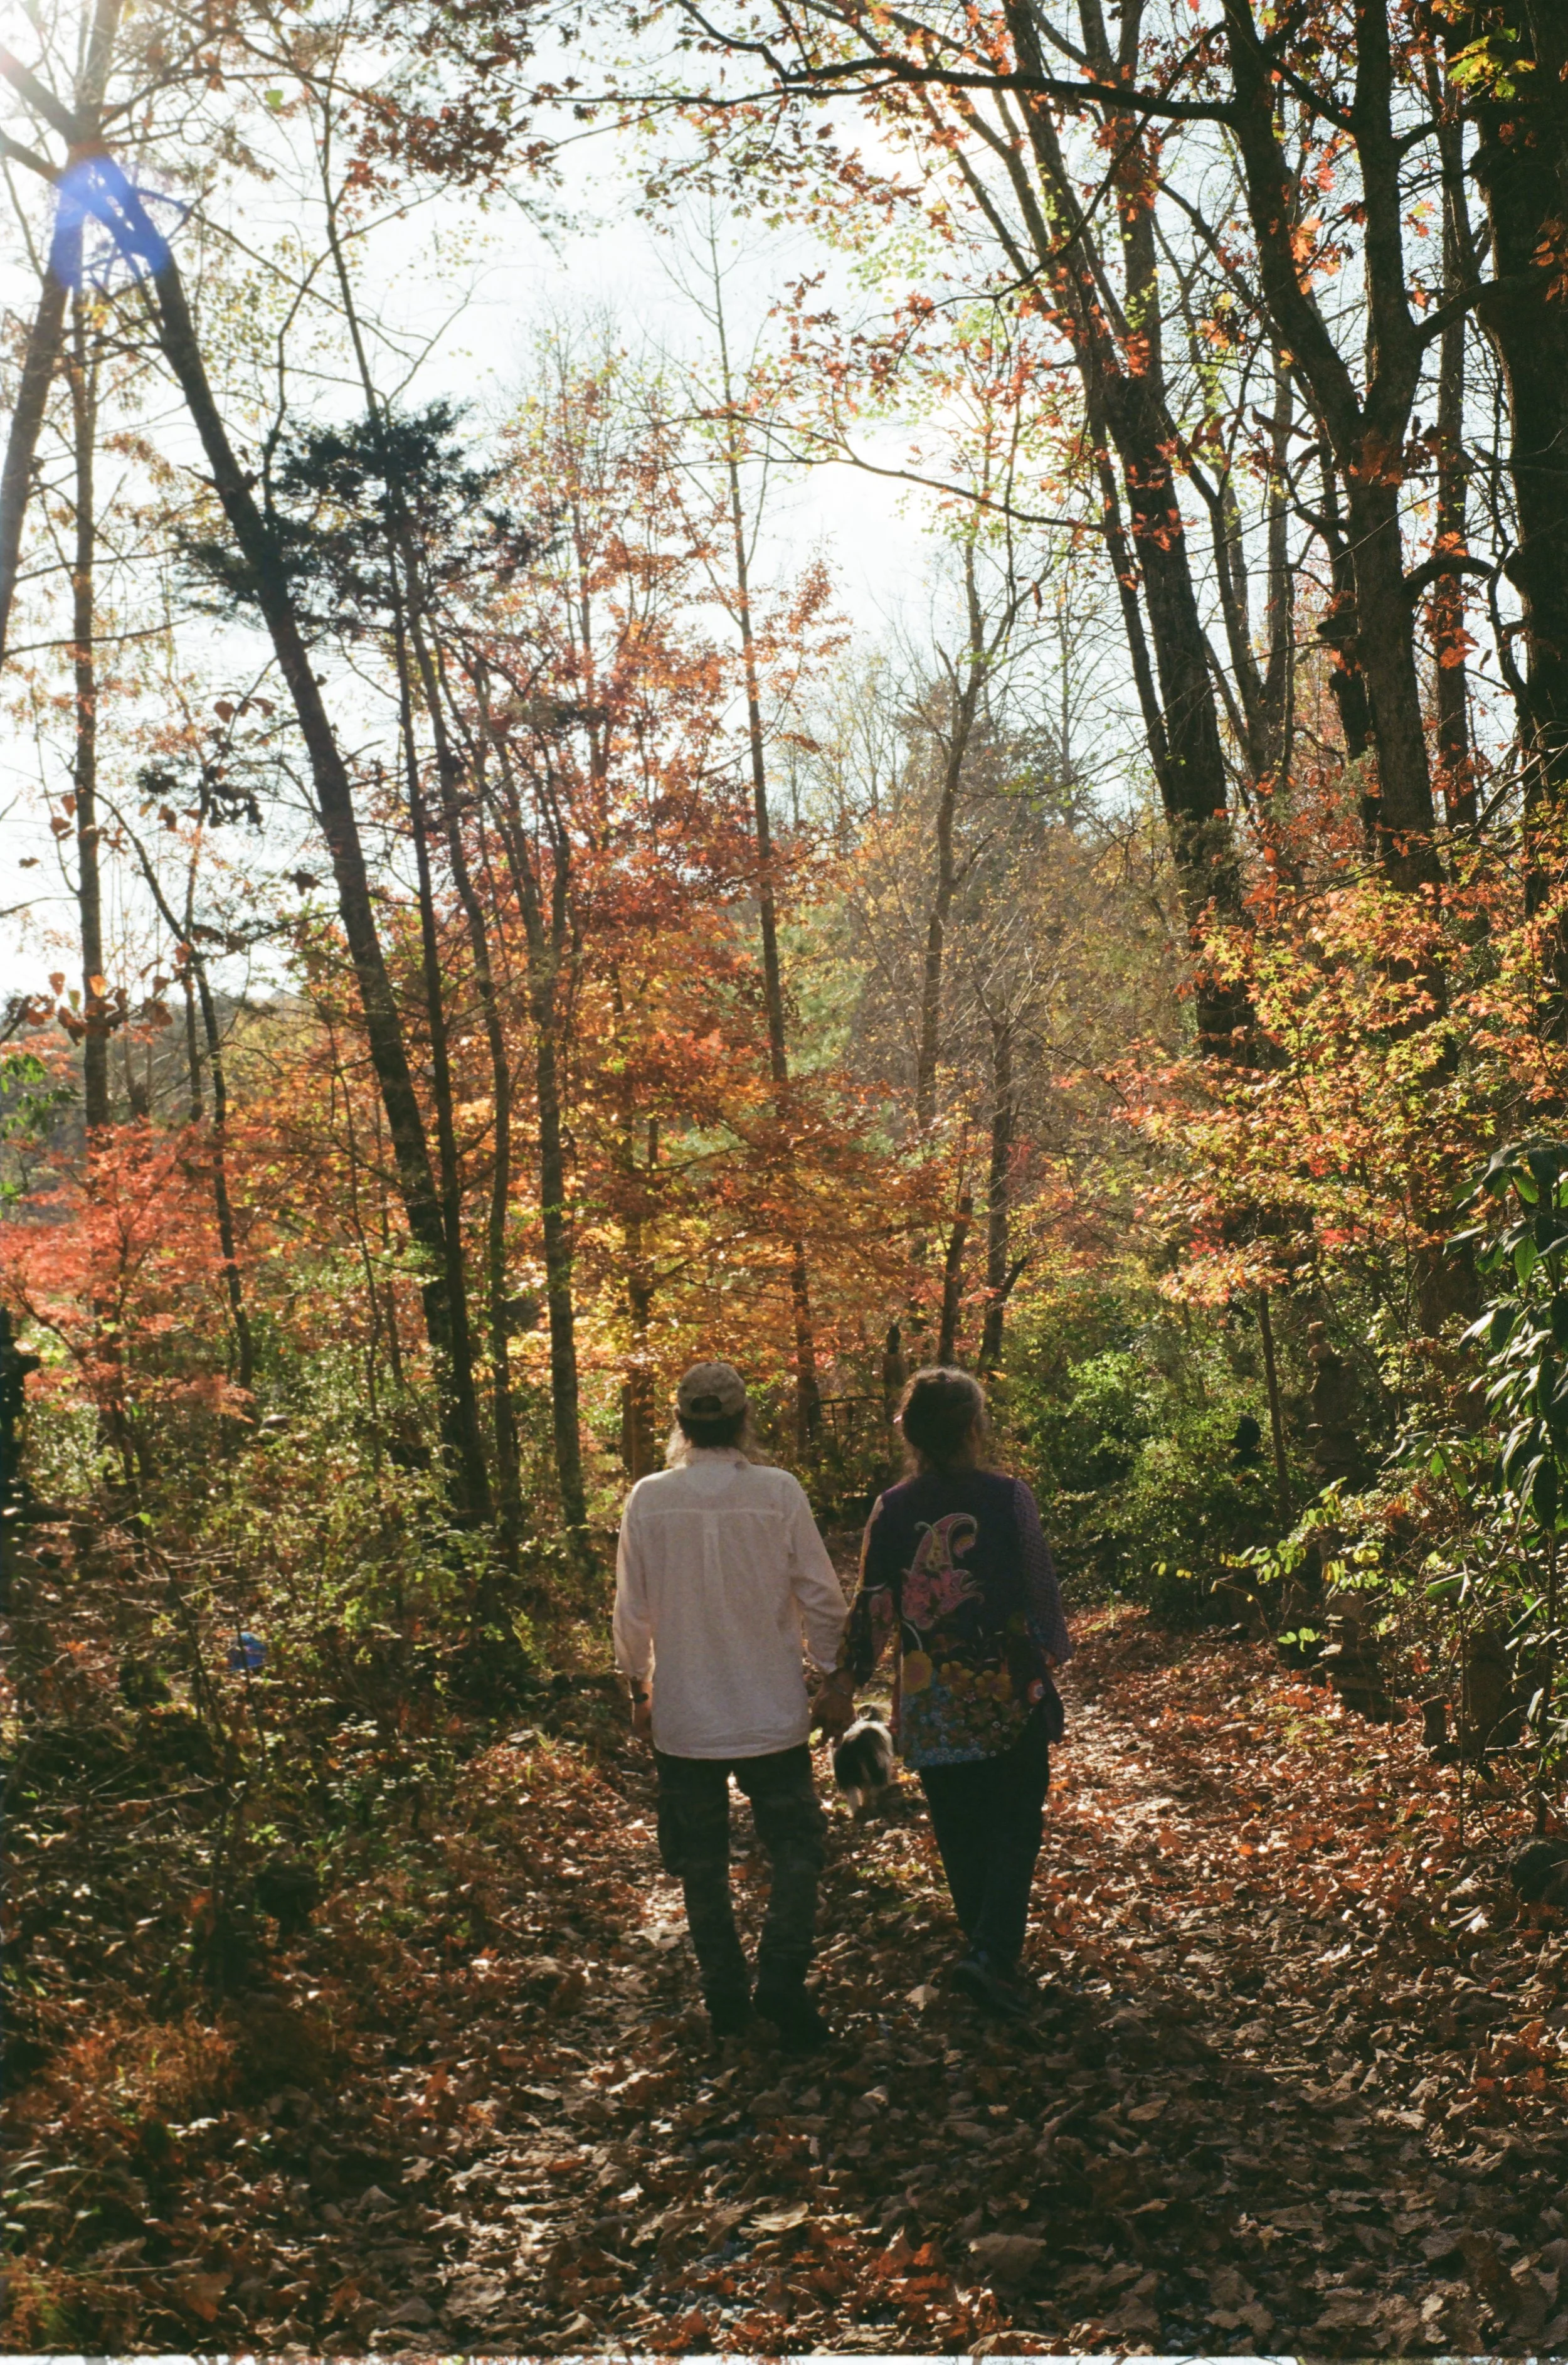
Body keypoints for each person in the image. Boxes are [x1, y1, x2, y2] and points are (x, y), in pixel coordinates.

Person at [816, 1366, 1071, 2018]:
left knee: (960, 1831)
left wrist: (846, 1678)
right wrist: (1051, 1652)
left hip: (930, 1700)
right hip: (1009, 1689)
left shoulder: (893, 1508)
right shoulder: (1011, 1497)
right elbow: (1039, 1585)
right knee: (1016, 1826)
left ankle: (983, 1949)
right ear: (972, 1427)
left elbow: (874, 1603)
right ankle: (989, 1954)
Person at [613, 1359, 847, 2051]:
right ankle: (779, 1980)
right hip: (770, 1711)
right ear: (744, 1420)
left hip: (685, 1716)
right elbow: (822, 1596)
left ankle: (725, 2000)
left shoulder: (648, 1499)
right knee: (798, 1848)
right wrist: (833, 1677)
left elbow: (631, 1610)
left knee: (701, 1862)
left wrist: (637, 1686)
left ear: (680, 1424)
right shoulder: (778, 1492)